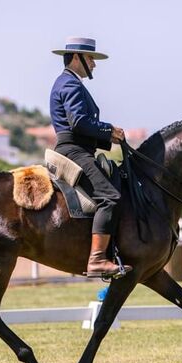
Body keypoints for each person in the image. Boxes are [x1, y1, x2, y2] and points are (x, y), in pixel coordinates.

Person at [50, 37, 132, 278]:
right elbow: (79, 122)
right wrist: (109, 130)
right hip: (73, 151)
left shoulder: (69, 82)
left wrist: (108, 139)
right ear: (76, 58)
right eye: (90, 59)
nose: (94, 65)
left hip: (78, 147)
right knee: (109, 196)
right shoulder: (70, 84)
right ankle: (97, 259)